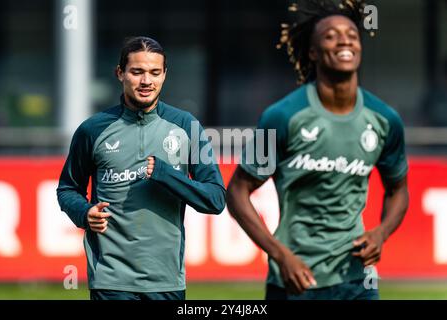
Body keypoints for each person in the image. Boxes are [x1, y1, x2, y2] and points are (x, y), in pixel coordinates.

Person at [227, 0, 409, 300]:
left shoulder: (385, 119)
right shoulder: (280, 117)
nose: (344, 40)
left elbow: (398, 189)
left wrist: (381, 233)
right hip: (295, 280)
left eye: (351, 34)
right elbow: (237, 192)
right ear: (312, 52)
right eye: (331, 35)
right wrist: (280, 255)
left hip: (358, 281)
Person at [57, 36, 226, 300]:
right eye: (137, 72)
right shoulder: (92, 129)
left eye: (154, 72)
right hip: (110, 279)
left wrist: (166, 175)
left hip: (167, 281)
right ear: (120, 73)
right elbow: (68, 189)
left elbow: (215, 199)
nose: (146, 81)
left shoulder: (186, 126)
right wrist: (84, 212)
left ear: (164, 75)